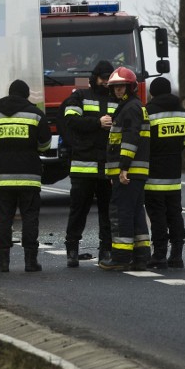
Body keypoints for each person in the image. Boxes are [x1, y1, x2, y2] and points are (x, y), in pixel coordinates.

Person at [0, 80, 52, 272]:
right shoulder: (35, 114)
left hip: (2, 174)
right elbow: (45, 144)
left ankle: (3, 262)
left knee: (5, 217)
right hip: (29, 174)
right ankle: (30, 261)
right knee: (30, 216)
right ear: (26, 95)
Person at [62, 60, 115, 267]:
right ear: (94, 78)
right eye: (103, 78)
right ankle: (72, 250)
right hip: (83, 165)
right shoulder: (80, 96)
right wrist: (97, 123)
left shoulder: (117, 99)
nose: (105, 82)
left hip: (107, 166)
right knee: (78, 210)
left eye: (109, 79)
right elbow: (70, 121)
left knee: (107, 212)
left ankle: (106, 251)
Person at [99, 67, 152, 271]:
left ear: (130, 87)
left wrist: (123, 168)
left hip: (129, 171)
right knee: (135, 211)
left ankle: (121, 257)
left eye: (121, 86)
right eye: (115, 87)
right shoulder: (130, 107)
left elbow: (129, 140)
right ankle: (140, 256)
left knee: (121, 212)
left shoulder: (130, 108)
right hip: (135, 171)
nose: (118, 90)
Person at [144, 77, 185, 269]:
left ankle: (160, 255)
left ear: (152, 93)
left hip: (154, 174)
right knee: (175, 213)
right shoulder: (184, 114)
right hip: (174, 175)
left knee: (157, 215)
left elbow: (145, 143)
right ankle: (177, 255)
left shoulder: (149, 112)